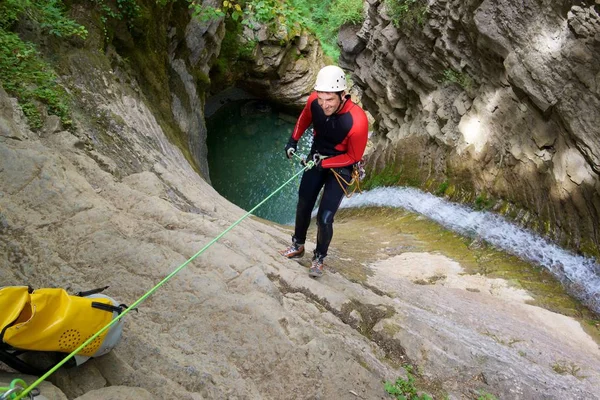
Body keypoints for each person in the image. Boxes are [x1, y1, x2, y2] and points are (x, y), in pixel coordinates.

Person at [279, 65, 369, 278]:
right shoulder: (314, 102)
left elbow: (353, 157)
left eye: (330, 100)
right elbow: (304, 119)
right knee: (304, 203)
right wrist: (293, 140)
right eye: (321, 98)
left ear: (343, 95)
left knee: (325, 217)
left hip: (341, 167)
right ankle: (298, 245)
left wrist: (325, 164)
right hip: (317, 156)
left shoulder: (357, 121)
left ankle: (319, 257)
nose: (324, 104)